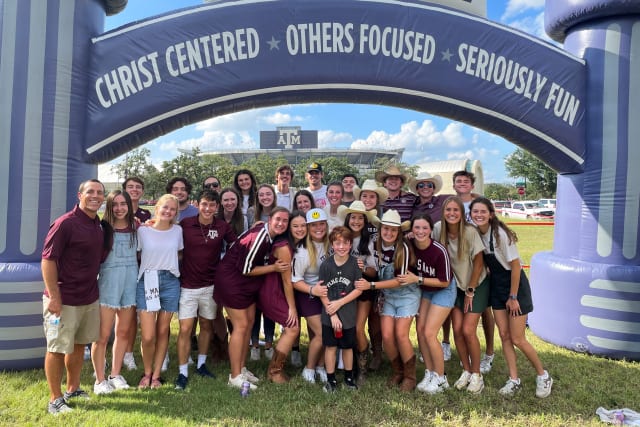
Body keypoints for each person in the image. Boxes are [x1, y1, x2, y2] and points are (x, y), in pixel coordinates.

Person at [470, 197, 553, 398]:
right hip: (497, 287)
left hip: (514, 286)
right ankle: (514, 379)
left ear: (491, 214)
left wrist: (513, 296)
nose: (479, 215)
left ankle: (543, 376)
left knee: (517, 337)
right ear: (470, 214)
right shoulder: (476, 234)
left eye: (483, 211)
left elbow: (515, 266)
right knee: (505, 336)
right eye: (475, 212)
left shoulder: (499, 234)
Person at [41, 179, 105, 414]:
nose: (95, 196)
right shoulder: (65, 223)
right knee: (57, 348)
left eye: (99, 192)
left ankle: (73, 388)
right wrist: (55, 297)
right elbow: (47, 261)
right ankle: (55, 399)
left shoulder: (98, 224)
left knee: (79, 346)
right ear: (80, 195)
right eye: (90, 192)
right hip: (63, 299)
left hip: (88, 297)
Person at [213, 207, 291, 389]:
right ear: (269, 219)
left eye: (285, 221)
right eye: (277, 219)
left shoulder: (269, 236)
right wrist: (273, 268)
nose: (281, 223)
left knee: (248, 324)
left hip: (245, 284)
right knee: (240, 326)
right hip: (232, 282)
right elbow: (246, 269)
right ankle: (234, 377)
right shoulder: (259, 237)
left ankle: (241, 368)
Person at [174, 190, 236, 391]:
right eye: (204, 204)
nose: (208, 209)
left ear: (217, 207)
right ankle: (183, 371)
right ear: (197, 204)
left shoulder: (222, 226)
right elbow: (168, 234)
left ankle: (201, 364)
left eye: (212, 205)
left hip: (210, 285)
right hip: (188, 286)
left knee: (206, 325)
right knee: (185, 329)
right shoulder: (186, 224)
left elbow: (237, 246)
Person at [356, 210, 419, 392]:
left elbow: (401, 280)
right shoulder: (375, 245)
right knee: (387, 335)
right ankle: (397, 370)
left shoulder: (404, 248)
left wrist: (373, 286)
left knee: (400, 334)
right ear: (380, 229)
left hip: (406, 294)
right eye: (386, 229)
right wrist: (364, 268)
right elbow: (374, 270)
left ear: (399, 232)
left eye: (393, 230)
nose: (389, 233)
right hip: (387, 296)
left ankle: (410, 376)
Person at [433, 196, 488, 394]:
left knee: (467, 330)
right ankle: (466, 369)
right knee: (457, 330)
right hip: (455, 287)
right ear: (443, 212)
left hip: (476, 285)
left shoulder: (470, 231)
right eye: (448, 210)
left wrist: (471, 290)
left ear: (461, 213)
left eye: (456, 210)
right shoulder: (439, 228)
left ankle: (477, 375)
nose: (452, 214)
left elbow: (479, 263)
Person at [91, 190, 138, 395]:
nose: (119, 208)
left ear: (129, 206)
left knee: (123, 332)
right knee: (101, 335)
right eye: (115, 205)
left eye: (123, 204)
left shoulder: (137, 228)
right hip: (109, 285)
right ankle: (100, 380)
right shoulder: (102, 229)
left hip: (129, 284)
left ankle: (115, 374)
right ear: (109, 207)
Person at [403, 214, 454, 394]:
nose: (420, 231)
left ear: (431, 230)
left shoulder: (438, 250)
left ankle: (441, 378)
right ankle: (430, 372)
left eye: (425, 228)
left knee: (430, 333)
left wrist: (418, 278)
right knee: (420, 331)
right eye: (417, 228)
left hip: (443, 290)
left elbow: (445, 282)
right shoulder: (410, 245)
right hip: (426, 290)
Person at [136, 194, 184, 389]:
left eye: (172, 209)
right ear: (157, 208)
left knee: (163, 330)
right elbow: (138, 253)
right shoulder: (143, 231)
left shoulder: (178, 231)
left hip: (171, 282)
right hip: (148, 280)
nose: (168, 212)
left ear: (175, 213)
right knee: (148, 335)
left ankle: (156, 375)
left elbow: (179, 252)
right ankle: (146, 372)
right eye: (165, 207)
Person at [453, 170, 496, 374]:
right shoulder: (452, 203)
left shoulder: (479, 201)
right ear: (453, 185)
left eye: (466, 181)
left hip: (485, 256)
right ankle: (465, 351)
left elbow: (492, 221)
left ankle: (489, 352)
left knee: (484, 309)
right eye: (458, 181)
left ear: (472, 185)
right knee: (461, 315)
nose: (462, 184)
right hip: (464, 260)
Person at [259, 211, 303, 383]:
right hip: (272, 291)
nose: (300, 229)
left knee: (292, 328)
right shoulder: (284, 247)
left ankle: (275, 368)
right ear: (289, 228)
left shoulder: (296, 245)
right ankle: (274, 372)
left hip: (277, 289)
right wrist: (292, 308)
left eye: (303, 226)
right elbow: (286, 281)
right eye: (295, 226)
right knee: (293, 327)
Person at [318, 226, 363, 392]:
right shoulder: (326, 266)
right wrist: (333, 314)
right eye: (337, 243)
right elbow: (322, 292)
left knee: (347, 347)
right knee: (330, 347)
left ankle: (349, 378)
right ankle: (331, 380)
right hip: (329, 315)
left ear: (351, 245)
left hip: (349, 315)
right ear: (332, 244)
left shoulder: (354, 264)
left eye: (345, 243)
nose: (341, 246)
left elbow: (359, 289)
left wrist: (340, 303)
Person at [342, 201, 379, 386]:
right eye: (353, 217)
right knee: (346, 327)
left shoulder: (368, 242)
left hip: (362, 288)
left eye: (360, 218)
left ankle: (362, 369)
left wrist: (362, 266)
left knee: (358, 328)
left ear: (365, 221)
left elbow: (374, 272)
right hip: (343, 288)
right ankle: (349, 365)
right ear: (348, 219)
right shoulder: (341, 238)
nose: (356, 221)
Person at [292, 208, 331, 384]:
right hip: (307, 293)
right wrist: (312, 290)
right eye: (313, 225)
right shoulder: (302, 250)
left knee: (330, 331)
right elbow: (295, 280)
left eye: (321, 223)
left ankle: (321, 366)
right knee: (322, 333)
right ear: (308, 227)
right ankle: (308, 368)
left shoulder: (330, 243)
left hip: (326, 293)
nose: (318, 228)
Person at [353, 179, 388, 370]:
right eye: (364, 195)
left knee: (376, 321)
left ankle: (377, 354)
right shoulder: (355, 225)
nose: (367, 199)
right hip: (361, 280)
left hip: (379, 275)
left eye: (371, 196)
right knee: (358, 322)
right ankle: (359, 354)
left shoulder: (382, 219)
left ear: (377, 199)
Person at [122, 177, 151, 371]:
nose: (134, 190)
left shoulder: (146, 213)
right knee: (115, 315)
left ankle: (128, 354)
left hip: (139, 268)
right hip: (118, 267)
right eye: (130, 187)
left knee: (133, 314)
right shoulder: (116, 209)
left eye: (138, 187)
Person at [249, 184, 278, 360]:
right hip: (256, 263)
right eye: (262, 195)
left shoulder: (280, 211)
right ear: (258, 197)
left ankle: (268, 344)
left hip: (273, 263)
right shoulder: (252, 212)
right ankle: (253, 345)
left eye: (268, 194)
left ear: (273, 196)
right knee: (254, 308)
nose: (265, 197)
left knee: (269, 307)